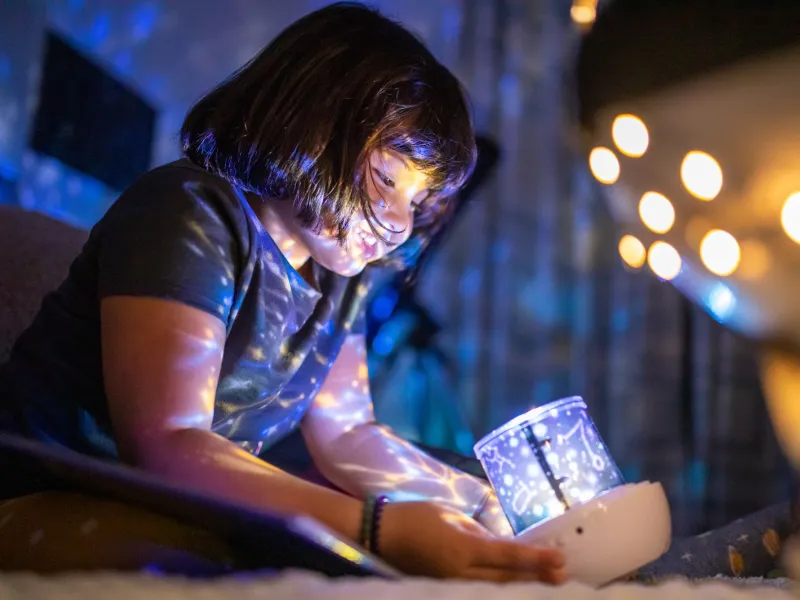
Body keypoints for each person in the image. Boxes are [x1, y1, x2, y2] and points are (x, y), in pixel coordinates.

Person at [0, 2, 565, 583]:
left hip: (172, 510)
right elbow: (168, 442)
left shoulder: (344, 279)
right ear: (312, 125)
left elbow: (348, 433)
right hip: (39, 497)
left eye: (417, 203)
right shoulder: (191, 214)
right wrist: (378, 528)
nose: (400, 221)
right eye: (388, 180)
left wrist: (477, 501)